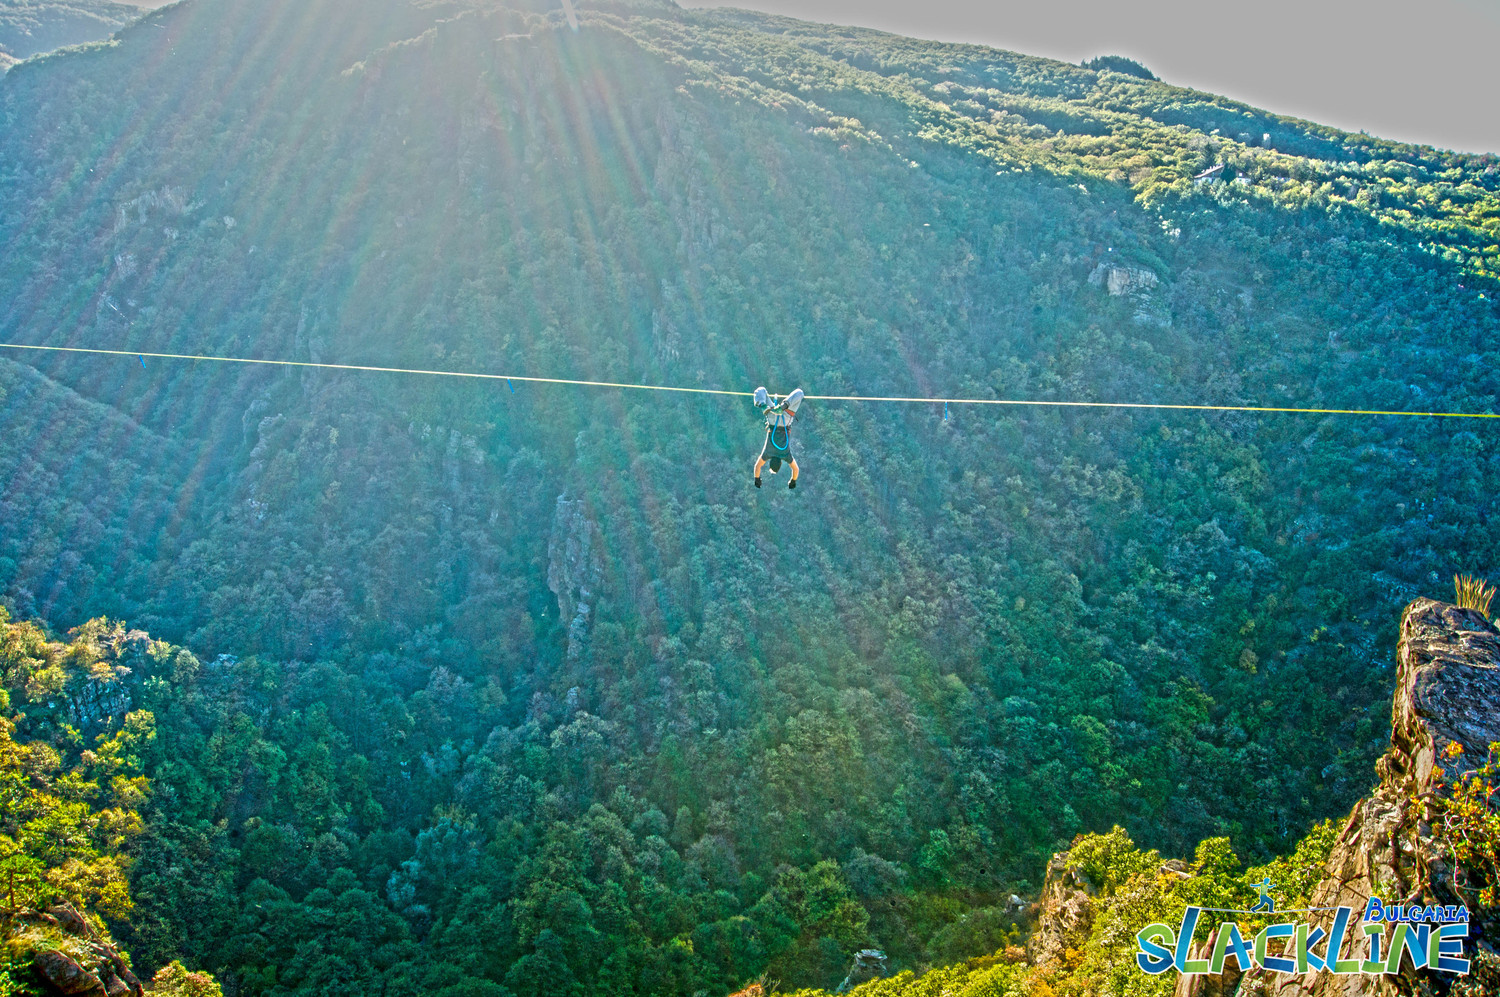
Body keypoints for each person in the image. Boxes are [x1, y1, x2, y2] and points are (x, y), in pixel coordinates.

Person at [752, 386, 802, 489]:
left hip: (786, 420)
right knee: (760, 390)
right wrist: (757, 479)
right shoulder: (767, 454)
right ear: (770, 462)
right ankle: (763, 405)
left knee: (799, 393)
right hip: (772, 418)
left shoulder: (786, 455)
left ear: (780, 463)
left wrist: (793, 481)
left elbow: (795, 469)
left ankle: (784, 406)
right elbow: (757, 466)